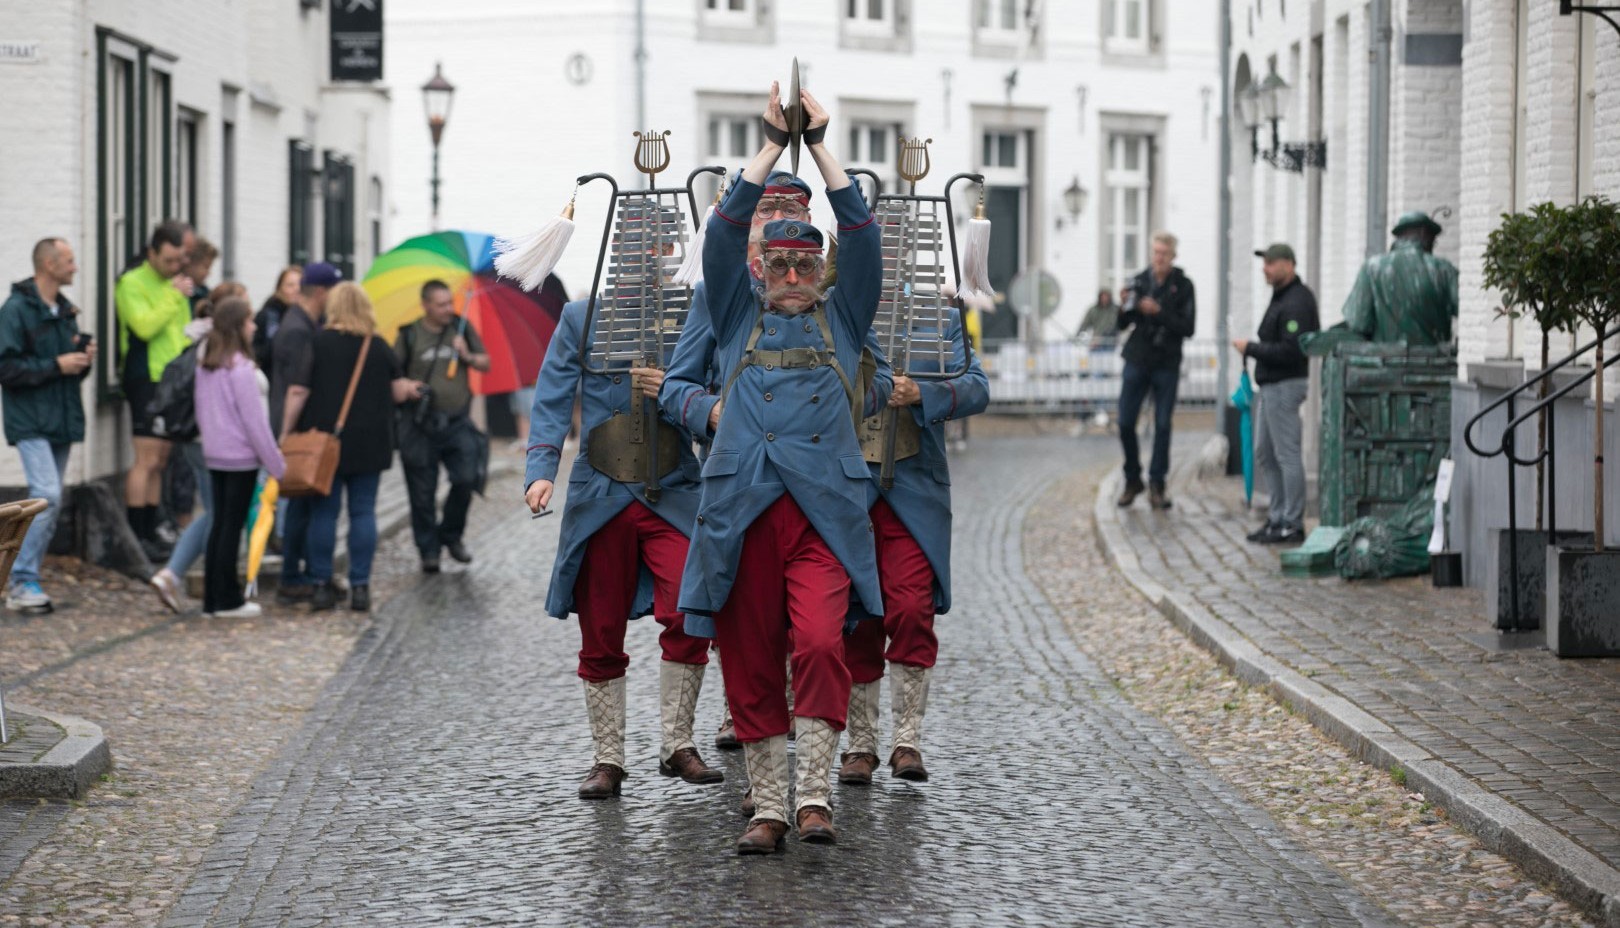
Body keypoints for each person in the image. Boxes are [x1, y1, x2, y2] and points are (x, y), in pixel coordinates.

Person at [666, 83, 882, 854]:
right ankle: (768, 807)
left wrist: (819, 146)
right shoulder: (733, 312)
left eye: (804, 264)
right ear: (762, 268)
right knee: (750, 657)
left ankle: (814, 794)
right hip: (742, 509)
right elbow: (723, 238)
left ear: (821, 269)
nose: (792, 276)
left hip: (823, 514)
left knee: (821, 642)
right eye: (780, 264)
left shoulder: (844, 316)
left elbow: (864, 237)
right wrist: (765, 145)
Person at [524, 207, 723, 803]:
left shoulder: (695, 312)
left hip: (674, 488)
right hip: (602, 492)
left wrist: (681, 394)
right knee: (600, 626)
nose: (643, 255)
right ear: (617, 250)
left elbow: (719, 393)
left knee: (689, 611)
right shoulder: (580, 317)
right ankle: (607, 758)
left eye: (655, 244)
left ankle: (677, 743)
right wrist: (541, 471)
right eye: (633, 243)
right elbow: (552, 397)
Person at [838, 308, 988, 787]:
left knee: (910, 610)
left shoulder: (939, 319)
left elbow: (976, 387)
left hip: (914, 494)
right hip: (848, 490)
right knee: (855, 617)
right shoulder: (838, 313)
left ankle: (907, 740)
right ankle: (860, 744)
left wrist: (923, 393)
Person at [292, 282, 414, 613]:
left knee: (324, 514)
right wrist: (409, 389)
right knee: (363, 512)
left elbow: (299, 391)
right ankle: (360, 587)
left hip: (325, 443)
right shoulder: (378, 346)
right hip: (371, 443)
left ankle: (321, 585)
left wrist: (285, 431)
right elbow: (397, 391)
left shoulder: (318, 343)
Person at [0, 239, 94, 612]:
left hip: (60, 418)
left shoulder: (65, 311)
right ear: (49, 265)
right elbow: (6, 368)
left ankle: (26, 578)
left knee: (51, 503)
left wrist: (81, 362)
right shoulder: (15, 311)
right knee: (48, 495)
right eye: (69, 261)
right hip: (30, 419)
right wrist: (57, 365)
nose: (75, 267)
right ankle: (21, 580)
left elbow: (66, 372)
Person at [148, 282, 249, 611]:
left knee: (213, 512)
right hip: (213, 442)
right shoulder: (218, 345)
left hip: (194, 439)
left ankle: (182, 577)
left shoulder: (201, 340)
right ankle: (192, 579)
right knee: (218, 515)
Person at [193, 296, 284, 619]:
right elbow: (255, 423)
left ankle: (212, 600)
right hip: (241, 456)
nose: (254, 326)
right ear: (237, 326)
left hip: (215, 453)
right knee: (231, 527)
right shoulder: (241, 369)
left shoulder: (207, 364)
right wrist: (276, 464)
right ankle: (229, 600)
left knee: (220, 524)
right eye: (249, 320)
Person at [394, 279, 491, 573]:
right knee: (422, 493)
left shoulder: (460, 328)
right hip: (420, 424)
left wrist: (467, 355)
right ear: (426, 305)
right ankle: (429, 550)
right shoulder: (409, 335)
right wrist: (407, 386)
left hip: (457, 422)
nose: (449, 309)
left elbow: (485, 362)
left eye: (450, 302)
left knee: (466, 479)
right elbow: (393, 376)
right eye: (441, 305)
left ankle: (451, 534)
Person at [116, 220, 193, 559]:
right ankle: (136, 535)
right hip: (146, 377)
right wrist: (173, 296)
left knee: (160, 459)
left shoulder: (173, 284)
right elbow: (144, 327)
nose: (175, 267)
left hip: (172, 380)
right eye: (168, 260)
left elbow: (181, 330)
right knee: (146, 459)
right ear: (152, 253)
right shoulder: (132, 282)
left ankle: (153, 529)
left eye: (179, 260)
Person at [1238, 244, 1320, 546]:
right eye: (1265, 263)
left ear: (1289, 264)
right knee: (1265, 451)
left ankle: (1292, 523)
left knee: (1286, 454)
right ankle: (1277, 518)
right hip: (1271, 386)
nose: (1266, 268)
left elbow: (1290, 350)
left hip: (1285, 385)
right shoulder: (1282, 296)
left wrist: (1250, 348)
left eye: (1271, 263)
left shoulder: (1297, 300)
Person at [271, 262, 340, 604]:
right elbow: (296, 387)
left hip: (297, 426)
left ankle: (298, 573)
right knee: (301, 505)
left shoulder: (301, 323)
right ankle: (298, 575)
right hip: (298, 429)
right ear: (322, 293)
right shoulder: (299, 330)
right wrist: (287, 433)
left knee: (300, 504)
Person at [1115, 231, 1196, 510]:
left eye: (1163, 253)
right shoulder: (1139, 281)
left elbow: (1188, 327)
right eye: (1155, 252)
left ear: (1173, 256)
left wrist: (1158, 311)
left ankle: (1157, 483)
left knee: (1162, 424)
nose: (1158, 258)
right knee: (1125, 421)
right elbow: (1122, 324)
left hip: (1166, 362)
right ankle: (1132, 478)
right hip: (1137, 358)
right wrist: (1124, 305)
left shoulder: (1183, 286)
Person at [1343, 211, 1459, 346]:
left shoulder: (1372, 268)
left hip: (1385, 357)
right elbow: (1467, 313)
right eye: (1433, 240)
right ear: (1423, 233)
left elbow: (1358, 322)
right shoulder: (1444, 270)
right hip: (1435, 358)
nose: (1433, 246)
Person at [254, 266, 301, 372]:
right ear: (279, 289)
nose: (296, 289)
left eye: (300, 284)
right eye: (290, 285)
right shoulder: (267, 316)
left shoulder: (311, 317)